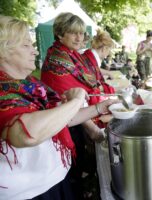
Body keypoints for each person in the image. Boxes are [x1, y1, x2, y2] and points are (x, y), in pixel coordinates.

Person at [0, 15, 117, 200]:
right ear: (3, 51)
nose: (35, 52)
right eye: (26, 45)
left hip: (52, 179)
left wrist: (100, 108)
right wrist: (76, 101)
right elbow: (27, 134)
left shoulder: (28, 85)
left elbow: (62, 118)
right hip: (30, 192)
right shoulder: (4, 90)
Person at [41, 12, 109, 199]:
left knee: (78, 166)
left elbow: (85, 85)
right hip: (67, 125)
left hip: (78, 119)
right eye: (73, 33)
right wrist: (93, 129)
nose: (80, 37)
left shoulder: (70, 54)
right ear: (60, 34)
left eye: (81, 33)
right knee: (72, 169)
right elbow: (67, 104)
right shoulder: (57, 61)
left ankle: (83, 187)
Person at [82, 29, 115, 94]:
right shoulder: (90, 61)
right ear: (104, 48)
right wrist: (113, 89)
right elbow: (94, 87)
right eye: (109, 50)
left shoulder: (90, 56)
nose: (109, 53)